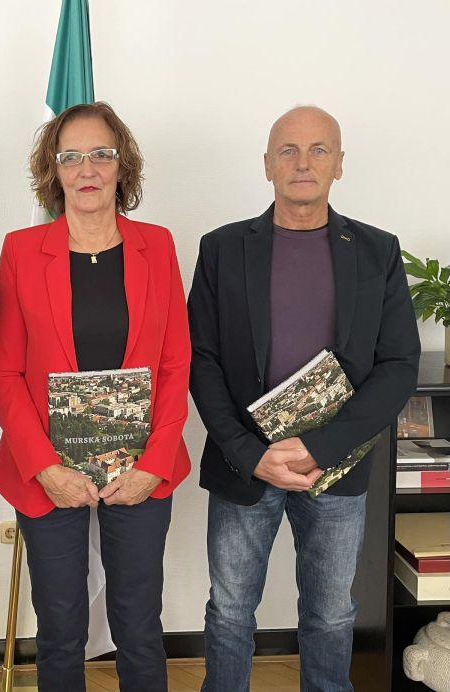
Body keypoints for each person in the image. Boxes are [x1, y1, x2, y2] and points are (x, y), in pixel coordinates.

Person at [188, 105, 420, 691]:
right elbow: (201, 360)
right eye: (287, 150)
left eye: (319, 149)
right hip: (245, 465)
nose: (302, 162)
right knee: (230, 611)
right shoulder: (221, 249)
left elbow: (398, 366)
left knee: (332, 614)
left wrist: (322, 447)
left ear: (339, 164)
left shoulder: (378, 251)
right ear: (267, 164)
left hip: (335, 467)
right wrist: (250, 453)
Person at [0, 101, 191, 692]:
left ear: (122, 164)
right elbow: (3, 372)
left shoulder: (158, 245)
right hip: (47, 469)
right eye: (71, 156)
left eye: (101, 153)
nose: (87, 169)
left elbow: (175, 363)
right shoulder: (22, 251)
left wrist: (153, 465)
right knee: (60, 627)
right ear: (54, 170)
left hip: (143, 467)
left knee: (139, 625)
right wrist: (45, 468)